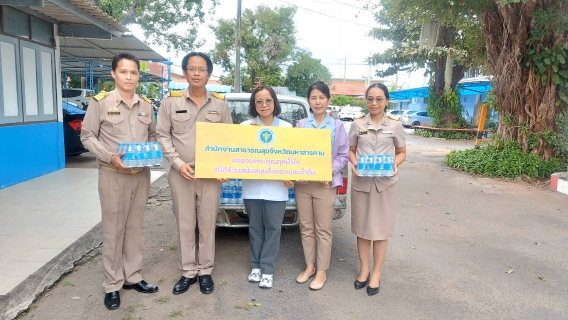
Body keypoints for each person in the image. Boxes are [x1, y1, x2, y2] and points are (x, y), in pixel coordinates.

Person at [80, 52, 158, 310]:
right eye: (123, 71)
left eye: (134, 72)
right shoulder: (101, 102)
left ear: (138, 76)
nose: (129, 77)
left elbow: (153, 135)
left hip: (141, 176)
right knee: (114, 230)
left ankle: (132, 277)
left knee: (135, 228)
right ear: (113, 74)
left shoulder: (146, 105)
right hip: (113, 175)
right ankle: (112, 284)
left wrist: (152, 152)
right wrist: (109, 156)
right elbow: (88, 136)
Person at [156, 52, 232, 295]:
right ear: (186, 72)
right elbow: (162, 135)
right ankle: (188, 271)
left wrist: (222, 167)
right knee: (185, 223)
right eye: (192, 68)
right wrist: (178, 163)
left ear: (209, 74)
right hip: (182, 173)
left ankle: (205, 271)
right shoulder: (171, 101)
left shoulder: (220, 104)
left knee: (208, 223)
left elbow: (228, 139)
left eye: (202, 69)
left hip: (210, 175)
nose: (197, 73)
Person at [348, 83, 406, 296]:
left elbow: (401, 151)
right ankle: (364, 270)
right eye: (370, 99)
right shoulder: (356, 124)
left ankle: (376, 273)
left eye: (379, 99)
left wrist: (395, 164)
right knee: (363, 229)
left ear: (386, 101)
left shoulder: (395, 126)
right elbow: (351, 150)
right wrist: (354, 162)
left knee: (381, 230)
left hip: (385, 184)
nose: (374, 103)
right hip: (362, 182)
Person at [294, 81, 349, 290]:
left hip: (326, 184)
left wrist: (330, 171)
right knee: (306, 227)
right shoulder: (301, 125)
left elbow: (344, 155)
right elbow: (294, 153)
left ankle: (322, 271)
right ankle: (309, 267)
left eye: (322, 97)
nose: (317, 101)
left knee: (323, 229)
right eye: (313, 97)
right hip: (304, 184)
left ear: (328, 100)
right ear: (309, 100)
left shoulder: (337, 126)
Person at [241, 85, 294, 289]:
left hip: (277, 189)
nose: (264, 105)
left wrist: (293, 177)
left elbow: (293, 158)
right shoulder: (245, 128)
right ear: (254, 105)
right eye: (259, 101)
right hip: (253, 187)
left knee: (273, 229)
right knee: (255, 228)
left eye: (268, 100)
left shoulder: (287, 129)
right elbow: (236, 155)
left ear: (275, 103)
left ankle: (268, 269)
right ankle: (255, 266)